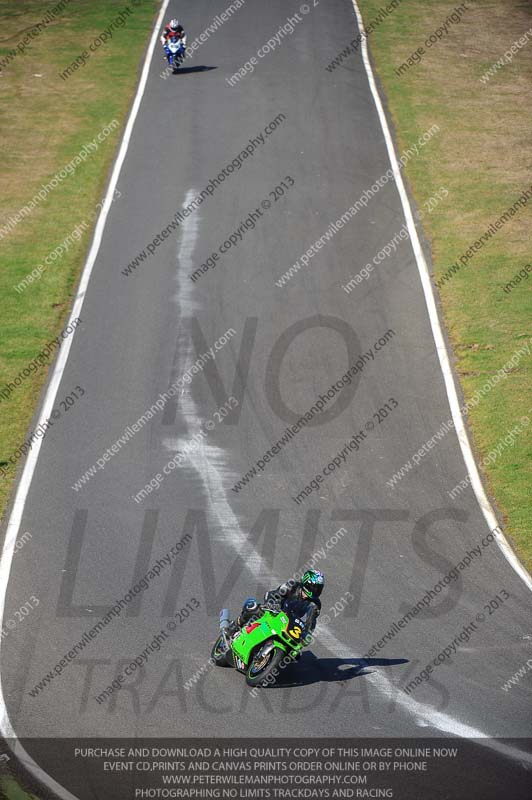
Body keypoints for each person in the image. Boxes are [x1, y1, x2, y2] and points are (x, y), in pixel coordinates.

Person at [233, 570, 324, 637]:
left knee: (295, 655)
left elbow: (311, 622)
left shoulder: (315, 604)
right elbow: (274, 594)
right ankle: (235, 626)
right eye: (313, 587)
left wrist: (307, 634)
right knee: (253, 608)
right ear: (305, 583)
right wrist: (272, 604)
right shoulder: (291, 585)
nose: (315, 590)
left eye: (318, 588)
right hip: (276, 611)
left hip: (290, 624)